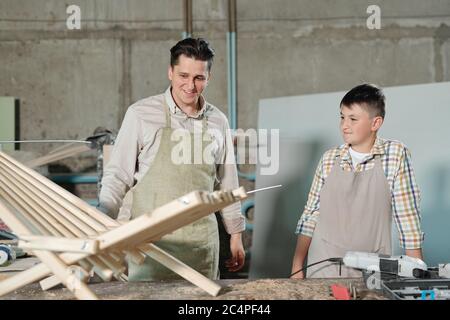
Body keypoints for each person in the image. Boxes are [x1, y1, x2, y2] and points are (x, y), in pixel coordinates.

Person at [98, 38, 245, 281]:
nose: (190, 85)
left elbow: (227, 184)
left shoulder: (218, 121)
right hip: (150, 247)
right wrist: (102, 219)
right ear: (170, 72)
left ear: (209, 77)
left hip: (201, 247)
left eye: (199, 78)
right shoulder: (141, 114)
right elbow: (118, 175)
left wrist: (236, 235)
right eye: (183, 75)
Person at [291, 83, 424, 278]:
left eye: (353, 119)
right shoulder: (329, 159)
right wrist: (297, 265)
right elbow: (311, 215)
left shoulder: (395, 155)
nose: (345, 125)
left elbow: (407, 219)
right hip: (323, 267)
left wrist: (417, 275)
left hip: (373, 270)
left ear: (375, 123)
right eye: (342, 117)